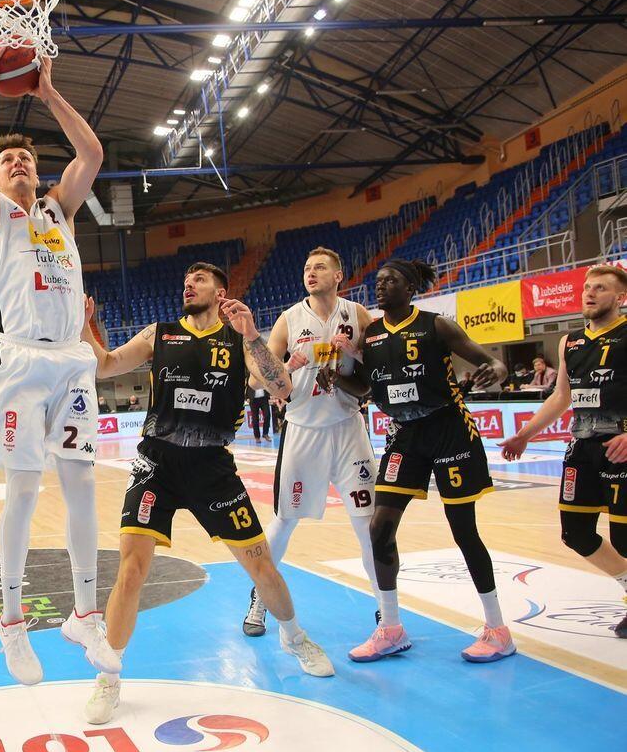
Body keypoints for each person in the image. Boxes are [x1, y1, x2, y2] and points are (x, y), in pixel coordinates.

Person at [79, 263, 333, 724]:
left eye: (198, 280)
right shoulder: (160, 333)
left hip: (212, 468)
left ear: (220, 292)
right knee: (131, 570)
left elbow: (283, 386)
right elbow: (105, 365)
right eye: (186, 280)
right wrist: (84, 326)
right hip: (156, 464)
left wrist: (253, 334)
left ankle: (295, 638)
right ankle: (108, 678)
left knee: (262, 567)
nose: (188, 284)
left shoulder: (239, 340)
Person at [0, 44, 118, 684]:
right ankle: (11, 623)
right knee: (24, 489)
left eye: (25, 157)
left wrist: (47, 91)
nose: (18, 162)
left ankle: (85, 614)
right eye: (7, 160)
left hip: (73, 360)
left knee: (81, 484)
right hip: (23, 362)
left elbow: (93, 154)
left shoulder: (59, 208)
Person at [333, 259, 514, 664]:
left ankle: (498, 630)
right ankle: (392, 628)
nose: (381, 286)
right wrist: (336, 378)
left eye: (390, 280)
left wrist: (498, 370)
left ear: (410, 287)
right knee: (380, 527)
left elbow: (491, 361)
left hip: (449, 429)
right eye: (378, 281)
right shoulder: (371, 334)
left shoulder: (437, 325)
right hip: (405, 435)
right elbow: (365, 388)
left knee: (463, 530)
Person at [241, 247, 382, 637]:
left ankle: (386, 610)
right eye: (307, 268)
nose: (311, 272)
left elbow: (377, 365)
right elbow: (255, 378)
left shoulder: (358, 315)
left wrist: (354, 352)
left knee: (368, 524)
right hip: (303, 429)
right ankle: (260, 598)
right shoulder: (289, 319)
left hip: (348, 429)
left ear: (338, 276)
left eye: (320, 267)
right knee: (285, 520)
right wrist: (286, 367)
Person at [502, 264, 627, 638]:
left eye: (600, 288)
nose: (590, 293)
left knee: (623, 539)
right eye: (587, 287)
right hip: (582, 448)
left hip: (620, 446)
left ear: (620, 298)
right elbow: (561, 397)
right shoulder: (569, 342)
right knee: (575, 533)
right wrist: (525, 434)